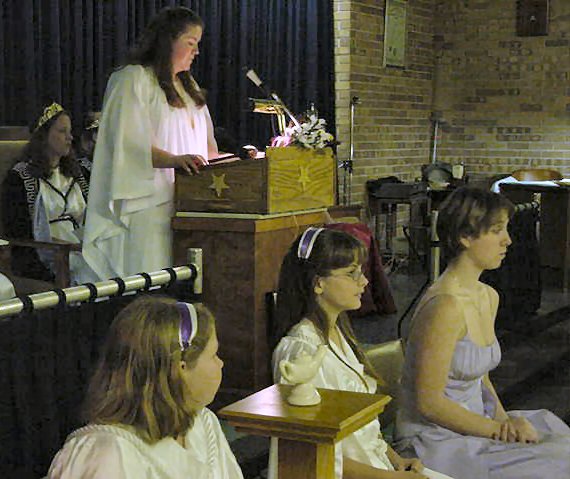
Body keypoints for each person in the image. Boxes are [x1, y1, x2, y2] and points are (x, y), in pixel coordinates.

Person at [394, 187, 570, 478]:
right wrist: (499, 431)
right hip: (436, 438)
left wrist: (503, 422)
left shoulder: (488, 295)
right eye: (497, 230)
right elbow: (429, 404)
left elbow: (481, 380)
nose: (508, 240)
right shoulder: (445, 306)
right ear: (465, 236)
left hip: (477, 423)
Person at [269, 227, 453, 479]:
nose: (364, 281)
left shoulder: (338, 333)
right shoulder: (301, 353)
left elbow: (364, 430)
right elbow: (311, 453)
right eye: (351, 273)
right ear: (319, 283)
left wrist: (396, 461)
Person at [82, 6, 219, 280]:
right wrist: (175, 160)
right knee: (152, 278)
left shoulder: (189, 88)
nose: (196, 51)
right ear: (168, 40)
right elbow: (126, 144)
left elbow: (208, 149)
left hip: (188, 204)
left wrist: (243, 161)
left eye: (198, 44)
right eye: (190, 43)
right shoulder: (133, 78)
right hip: (148, 201)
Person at [47, 295, 243, 479]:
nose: (220, 364)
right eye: (213, 355)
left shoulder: (202, 424)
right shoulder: (106, 454)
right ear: (180, 369)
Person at [1, 102, 93, 284]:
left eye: (70, 131)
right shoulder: (20, 178)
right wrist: (62, 249)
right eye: (62, 131)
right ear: (43, 136)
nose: (70, 137)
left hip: (83, 250)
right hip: (45, 257)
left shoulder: (80, 172)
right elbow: (17, 232)